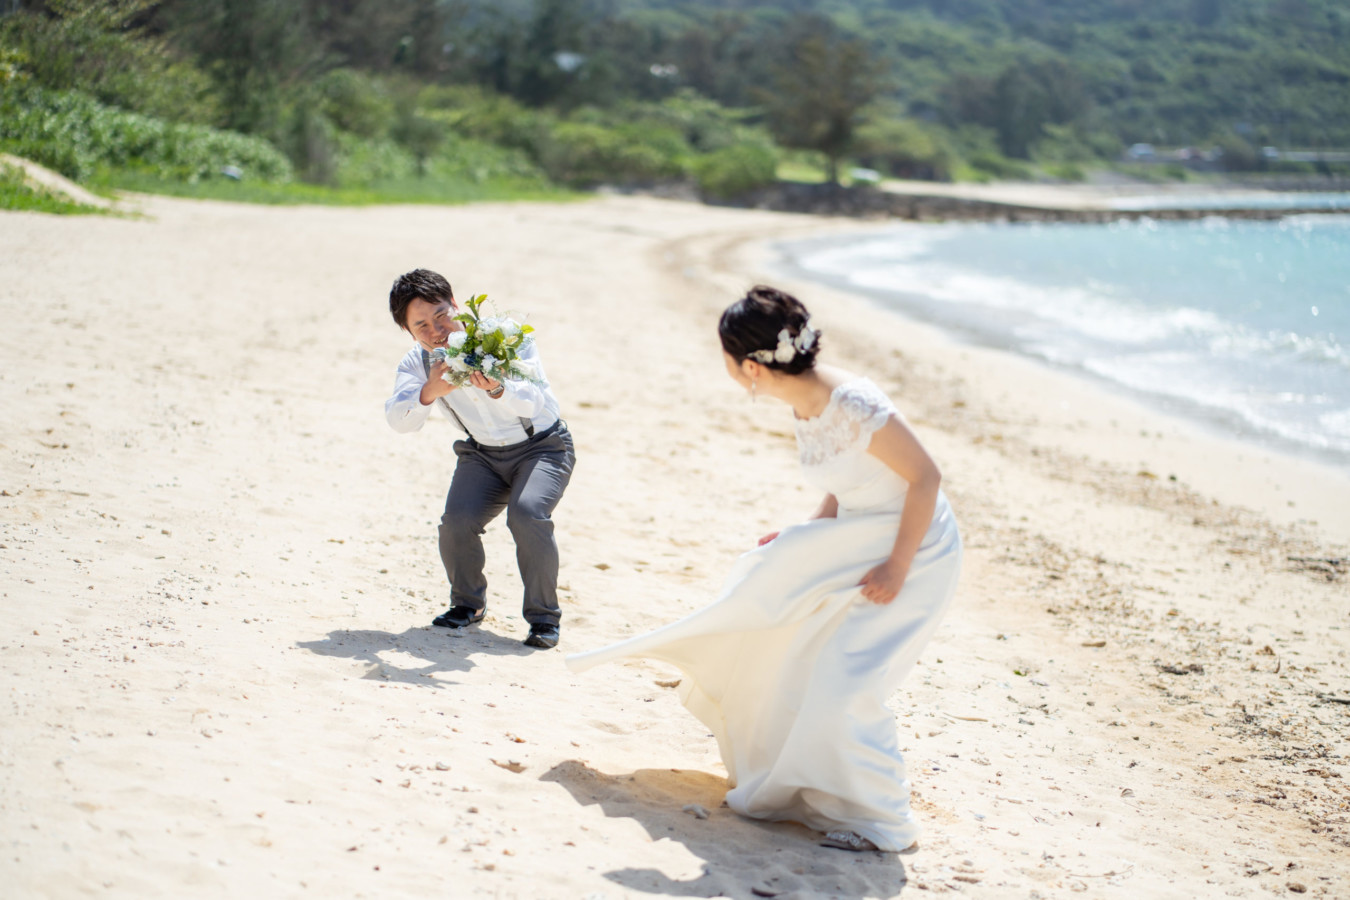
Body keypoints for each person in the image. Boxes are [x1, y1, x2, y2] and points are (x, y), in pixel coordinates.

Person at [565, 285, 962, 851]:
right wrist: (809, 531)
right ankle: (819, 793)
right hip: (860, 535)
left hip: (916, 548)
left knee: (847, 680)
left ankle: (886, 824)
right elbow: (847, 477)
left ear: (751, 366)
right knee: (787, 640)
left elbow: (926, 477)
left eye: (726, 357)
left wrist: (898, 566)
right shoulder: (804, 400)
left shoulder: (853, 402)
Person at [384, 268, 575, 650]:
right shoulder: (417, 363)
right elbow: (399, 421)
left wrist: (500, 388)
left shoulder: (503, 336)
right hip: (482, 455)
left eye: (441, 315)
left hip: (542, 447)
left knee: (527, 515)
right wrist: (429, 391)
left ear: (455, 304)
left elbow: (536, 402)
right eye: (421, 325)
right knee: (456, 522)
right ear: (408, 331)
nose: (436, 330)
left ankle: (544, 619)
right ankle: (467, 605)